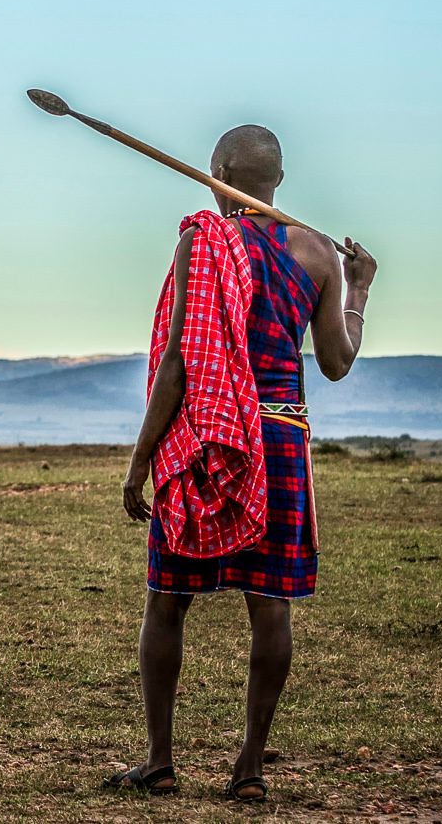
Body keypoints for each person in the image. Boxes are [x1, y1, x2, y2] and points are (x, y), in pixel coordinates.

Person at [104, 124, 376, 802]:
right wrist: (359, 290)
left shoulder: (202, 240)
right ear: (276, 179)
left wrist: (141, 461)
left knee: (167, 600)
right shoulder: (318, 254)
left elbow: (179, 361)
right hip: (280, 438)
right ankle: (249, 770)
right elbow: (338, 365)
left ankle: (159, 762)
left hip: (208, 437)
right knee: (271, 604)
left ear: (218, 169)